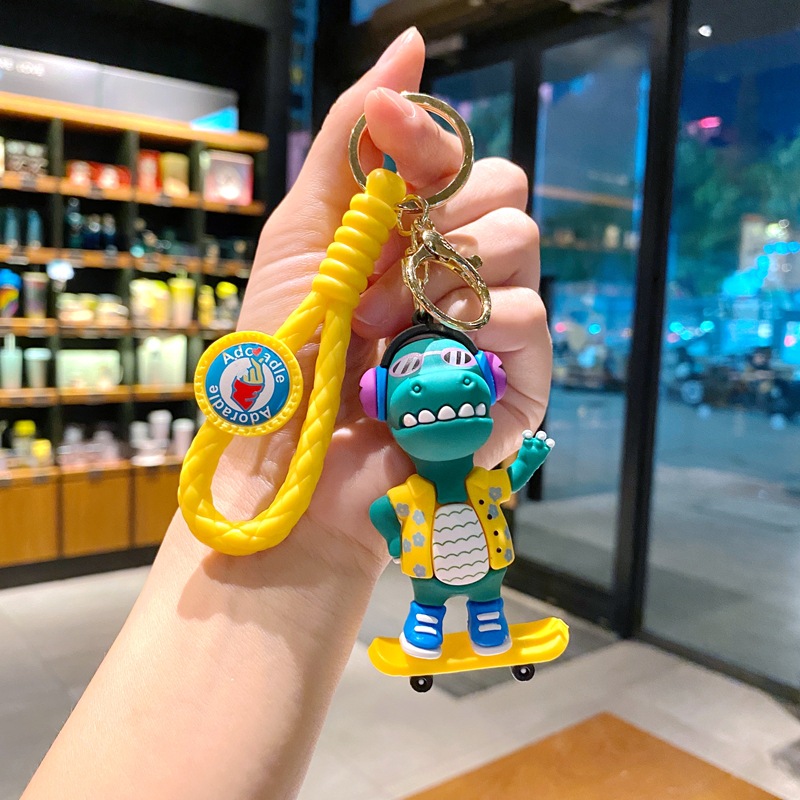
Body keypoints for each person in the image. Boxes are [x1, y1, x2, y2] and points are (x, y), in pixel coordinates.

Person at [22, 27, 550, 800]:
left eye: (461, 384)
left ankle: (472, 624)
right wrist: (267, 479)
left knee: (467, 599)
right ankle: (438, 624)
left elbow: (436, 499)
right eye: (423, 384)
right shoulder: (341, 356)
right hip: (343, 442)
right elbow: (401, 510)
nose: (441, 397)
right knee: (439, 602)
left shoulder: (436, 449)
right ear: (380, 398)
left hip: (410, 516)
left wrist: (508, 455)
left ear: (487, 375)